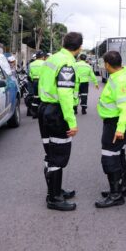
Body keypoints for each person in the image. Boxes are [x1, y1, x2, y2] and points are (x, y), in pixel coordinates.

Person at [37, 32, 82, 211]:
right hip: (56, 112)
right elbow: (64, 95)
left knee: (51, 152)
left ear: (64, 43)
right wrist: (72, 122)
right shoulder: (67, 63)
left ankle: (55, 190)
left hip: (44, 108)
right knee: (58, 155)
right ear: (79, 48)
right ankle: (54, 198)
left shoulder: (52, 58)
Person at [95, 50, 126, 209]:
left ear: (107, 65)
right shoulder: (119, 75)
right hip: (114, 122)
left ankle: (116, 195)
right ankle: (121, 188)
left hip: (116, 123)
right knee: (118, 153)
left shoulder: (121, 80)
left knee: (109, 156)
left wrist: (120, 129)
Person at [27, 51, 46, 118]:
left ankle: (35, 113)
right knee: (43, 97)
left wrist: (33, 80)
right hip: (42, 81)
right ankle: (42, 112)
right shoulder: (45, 63)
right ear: (42, 57)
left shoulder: (31, 64)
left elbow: (29, 74)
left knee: (35, 97)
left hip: (34, 82)